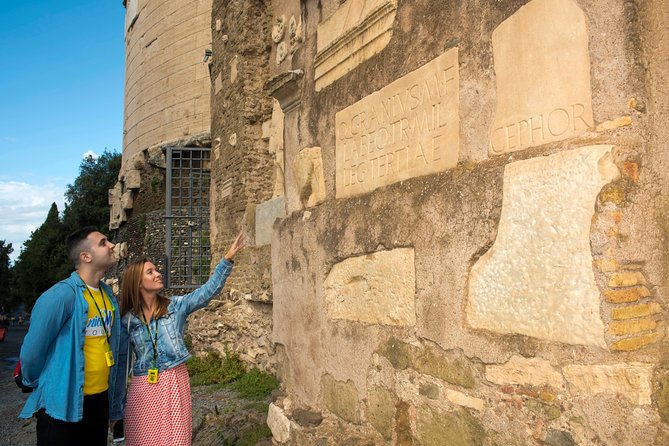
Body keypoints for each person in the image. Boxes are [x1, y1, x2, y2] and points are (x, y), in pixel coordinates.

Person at [119, 231, 245, 446]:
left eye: (156, 270)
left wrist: (227, 260)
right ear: (137, 282)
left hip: (173, 379)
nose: (158, 274)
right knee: (141, 439)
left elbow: (207, 293)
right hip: (142, 384)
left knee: (174, 439)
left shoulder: (175, 306)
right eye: (150, 272)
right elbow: (121, 361)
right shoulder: (127, 319)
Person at [18, 226, 125, 445]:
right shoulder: (60, 296)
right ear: (85, 256)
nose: (112, 245)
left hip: (99, 400)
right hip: (63, 401)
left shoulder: (107, 295)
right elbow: (32, 351)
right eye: (103, 243)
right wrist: (33, 381)